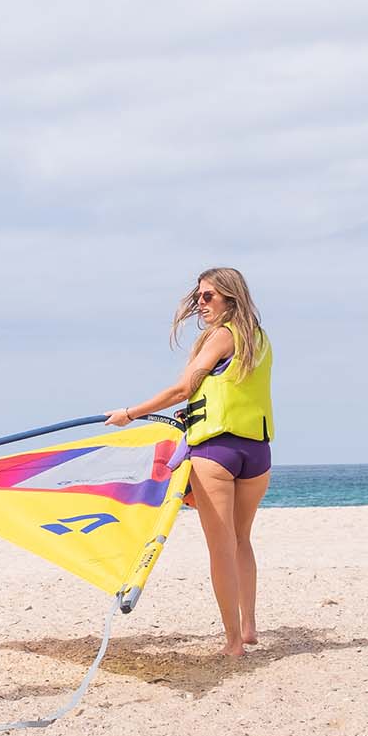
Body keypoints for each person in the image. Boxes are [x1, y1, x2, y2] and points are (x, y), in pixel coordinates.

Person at [105, 267, 273, 657]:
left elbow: (183, 388)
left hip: (216, 452)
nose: (201, 302)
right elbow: (226, 389)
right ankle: (248, 627)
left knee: (222, 548)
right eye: (199, 295)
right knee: (241, 539)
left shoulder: (219, 337)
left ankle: (233, 643)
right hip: (257, 453)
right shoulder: (259, 340)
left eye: (209, 296)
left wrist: (129, 413)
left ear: (230, 298)